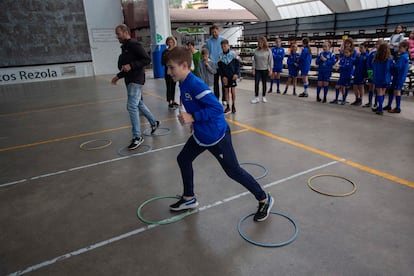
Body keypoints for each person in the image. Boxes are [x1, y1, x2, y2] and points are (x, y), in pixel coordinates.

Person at [166, 46, 274, 222]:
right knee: (183, 159)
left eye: (172, 67)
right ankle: (189, 198)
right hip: (202, 135)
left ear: (184, 65)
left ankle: (264, 198)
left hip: (217, 136)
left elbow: (216, 108)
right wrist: (195, 123)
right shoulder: (183, 82)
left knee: (234, 171)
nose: (169, 71)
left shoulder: (195, 84)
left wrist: (193, 116)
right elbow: (197, 105)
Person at [111, 24, 159, 150]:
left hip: (136, 80)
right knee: (138, 104)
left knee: (131, 106)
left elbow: (147, 59)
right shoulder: (125, 47)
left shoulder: (134, 44)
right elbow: (125, 67)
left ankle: (137, 136)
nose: (117, 37)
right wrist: (118, 76)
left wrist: (131, 66)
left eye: (118, 34)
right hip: (130, 80)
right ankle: (154, 122)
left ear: (126, 32)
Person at [384, 40, 410, 113]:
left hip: (399, 77)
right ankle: (389, 105)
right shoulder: (403, 56)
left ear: (405, 47)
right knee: (391, 90)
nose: (399, 49)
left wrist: (391, 64)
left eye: (400, 47)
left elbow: (398, 67)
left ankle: (397, 107)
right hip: (397, 76)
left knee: (397, 91)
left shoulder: (403, 57)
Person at [217, 39, 240, 114]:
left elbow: (237, 65)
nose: (224, 47)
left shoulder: (233, 54)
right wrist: (223, 76)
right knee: (226, 91)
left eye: (225, 46)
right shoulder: (220, 56)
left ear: (228, 46)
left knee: (233, 91)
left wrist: (236, 74)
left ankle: (233, 105)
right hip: (225, 77)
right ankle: (228, 106)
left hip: (233, 76)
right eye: (222, 46)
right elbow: (219, 68)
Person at [205, 24, 225, 103]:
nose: (214, 34)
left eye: (215, 32)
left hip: (222, 63)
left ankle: (224, 99)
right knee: (215, 83)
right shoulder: (208, 41)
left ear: (218, 31)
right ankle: (217, 98)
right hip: (213, 64)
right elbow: (207, 53)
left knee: (224, 82)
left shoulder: (222, 39)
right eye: (213, 32)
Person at [372, 43, 393, 115]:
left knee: (379, 93)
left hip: (378, 77)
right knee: (383, 92)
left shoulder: (376, 57)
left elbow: (373, 67)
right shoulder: (389, 58)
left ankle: (380, 108)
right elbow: (389, 68)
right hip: (386, 77)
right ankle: (380, 107)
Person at [251, 36, 273, 103]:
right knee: (256, 83)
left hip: (265, 69)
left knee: (264, 83)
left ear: (264, 42)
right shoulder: (256, 51)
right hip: (257, 69)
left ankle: (264, 96)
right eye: (259, 42)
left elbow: (270, 60)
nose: (260, 43)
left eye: (261, 42)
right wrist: (253, 69)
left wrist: (271, 69)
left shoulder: (268, 50)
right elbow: (254, 60)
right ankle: (256, 97)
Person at [364, 39, 384, 108]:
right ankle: (370, 102)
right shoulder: (372, 53)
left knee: (377, 88)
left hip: (378, 72)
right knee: (371, 87)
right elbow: (368, 62)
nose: (377, 45)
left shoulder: (383, 54)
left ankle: (376, 103)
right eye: (376, 44)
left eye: (378, 44)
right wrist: (369, 71)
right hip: (371, 71)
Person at [162, 36, 179, 109]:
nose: (170, 43)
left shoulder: (176, 51)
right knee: (168, 86)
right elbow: (162, 62)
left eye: (171, 42)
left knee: (173, 85)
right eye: (169, 42)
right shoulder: (165, 52)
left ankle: (173, 99)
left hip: (174, 71)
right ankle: (170, 101)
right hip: (168, 71)